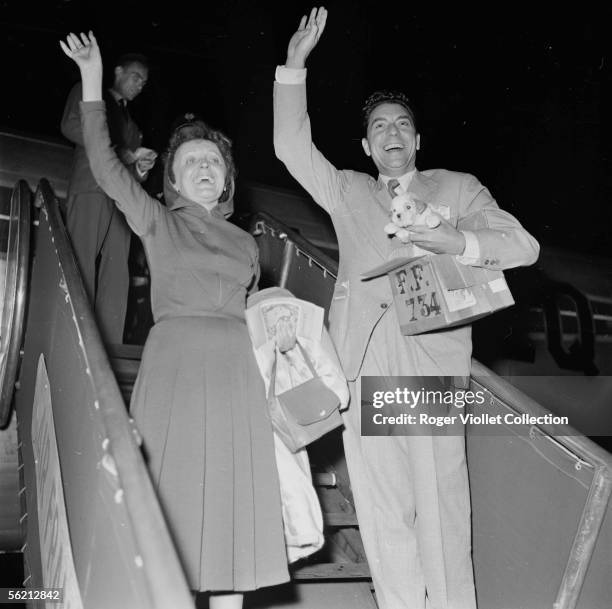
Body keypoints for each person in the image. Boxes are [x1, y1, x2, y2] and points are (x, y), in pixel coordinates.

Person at [274, 8, 540, 609]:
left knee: (441, 514)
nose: (391, 134)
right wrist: (294, 66)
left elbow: (523, 246)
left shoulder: (456, 187)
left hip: (431, 363)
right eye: (379, 127)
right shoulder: (346, 191)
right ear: (366, 146)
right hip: (365, 367)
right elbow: (290, 145)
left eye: (402, 125)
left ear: (417, 141)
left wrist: (456, 240)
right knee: (384, 515)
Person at [60, 32, 288, 609]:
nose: (203, 167)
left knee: (232, 520)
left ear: (226, 176)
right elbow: (108, 169)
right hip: (176, 372)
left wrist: (278, 331)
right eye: (190, 163)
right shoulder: (158, 221)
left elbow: (253, 309)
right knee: (176, 512)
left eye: (212, 161)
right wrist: (93, 81)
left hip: (238, 378)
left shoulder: (244, 242)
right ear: (174, 179)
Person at [61, 49, 155, 344]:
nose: (140, 85)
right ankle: (73, 333)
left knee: (117, 274)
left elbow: (131, 167)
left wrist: (141, 167)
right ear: (116, 72)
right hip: (90, 187)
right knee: (81, 263)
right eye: (135, 77)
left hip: (120, 200)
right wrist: (121, 151)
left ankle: (110, 344)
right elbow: (71, 126)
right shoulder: (89, 94)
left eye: (144, 83)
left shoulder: (133, 125)